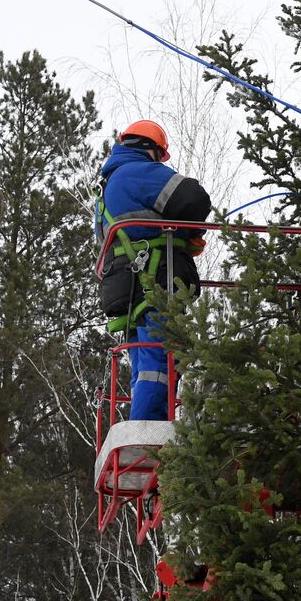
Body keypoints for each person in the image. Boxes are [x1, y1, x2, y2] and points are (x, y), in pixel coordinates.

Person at [95, 120, 212, 421]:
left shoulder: (110, 188)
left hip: (133, 287)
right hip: (153, 281)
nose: (160, 164)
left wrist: (183, 237)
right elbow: (193, 199)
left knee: (147, 364)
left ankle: (146, 430)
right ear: (150, 149)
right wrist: (190, 232)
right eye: (160, 158)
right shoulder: (137, 172)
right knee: (159, 364)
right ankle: (147, 437)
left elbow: (140, 228)